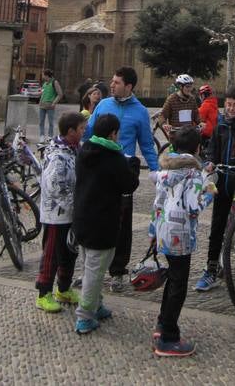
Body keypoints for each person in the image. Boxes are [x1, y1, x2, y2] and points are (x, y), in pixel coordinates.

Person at [83, 66, 159, 292]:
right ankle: (89, 270)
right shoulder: (104, 105)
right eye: (112, 81)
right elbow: (88, 133)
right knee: (94, 217)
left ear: (129, 86)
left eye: (116, 82)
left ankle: (117, 271)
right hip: (99, 168)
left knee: (122, 223)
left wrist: (154, 170)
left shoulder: (140, 111)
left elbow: (146, 144)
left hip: (123, 171)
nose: (112, 85)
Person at [73, 113, 140, 334]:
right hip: (102, 222)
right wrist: (134, 166)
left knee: (89, 264)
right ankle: (84, 316)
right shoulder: (114, 158)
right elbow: (128, 185)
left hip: (82, 217)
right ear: (113, 134)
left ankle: (96, 303)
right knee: (95, 268)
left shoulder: (84, 151)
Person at [151, 125, 212, 357]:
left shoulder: (165, 170)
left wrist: (152, 231)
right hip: (181, 234)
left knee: (172, 279)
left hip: (163, 229)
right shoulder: (193, 173)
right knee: (179, 285)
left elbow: (157, 203)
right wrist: (208, 194)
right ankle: (168, 338)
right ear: (197, 148)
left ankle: (162, 324)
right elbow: (193, 209)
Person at [195, 86, 235, 293]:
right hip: (223, 184)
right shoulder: (220, 127)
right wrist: (209, 162)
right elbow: (212, 150)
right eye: (229, 104)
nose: (231, 108)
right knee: (216, 228)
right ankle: (212, 268)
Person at [35, 111, 87, 312]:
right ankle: (43, 292)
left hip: (70, 214)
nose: (84, 132)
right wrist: (75, 205)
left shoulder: (74, 149)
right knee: (52, 254)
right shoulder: (58, 155)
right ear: (71, 131)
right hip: (56, 214)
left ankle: (63, 288)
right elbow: (56, 186)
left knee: (69, 252)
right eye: (81, 129)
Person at [39, 69, 64, 140]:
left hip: (50, 106)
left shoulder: (54, 82)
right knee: (41, 122)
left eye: (43, 75)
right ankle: (41, 136)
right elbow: (42, 93)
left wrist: (54, 103)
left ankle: (50, 137)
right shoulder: (44, 83)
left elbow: (60, 94)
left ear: (46, 75)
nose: (42, 76)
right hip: (42, 105)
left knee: (51, 122)